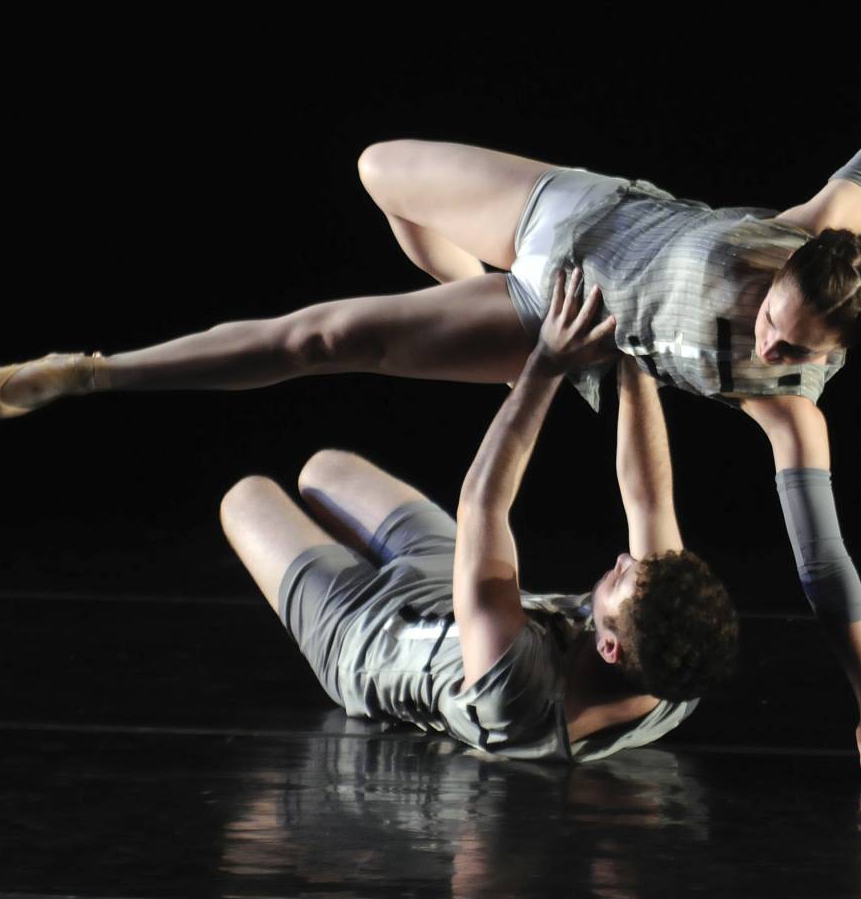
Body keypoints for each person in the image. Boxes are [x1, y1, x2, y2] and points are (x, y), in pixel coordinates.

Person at [0, 0, 861, 782]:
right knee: (376, 170)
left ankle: (93, 374)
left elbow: (825, 572)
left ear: (829, 354)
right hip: (569, 213)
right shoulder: (816, 224)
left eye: (793, 348)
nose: (768, 344)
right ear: (790, 264)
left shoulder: (790, 411)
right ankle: (453, 284)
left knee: (320, 336)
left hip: (555, 325)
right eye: (768, 317)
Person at [218, 268, 739, 761]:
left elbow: (483, 502)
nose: (624, 559)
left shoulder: (517, 692)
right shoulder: (668, 670)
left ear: (608, 647)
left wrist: (547, 363)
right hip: (456, 584)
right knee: (324, 468)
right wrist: (631, 354)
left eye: (622, 578)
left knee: (247, 496)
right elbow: (647, 495)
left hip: (365, 634)